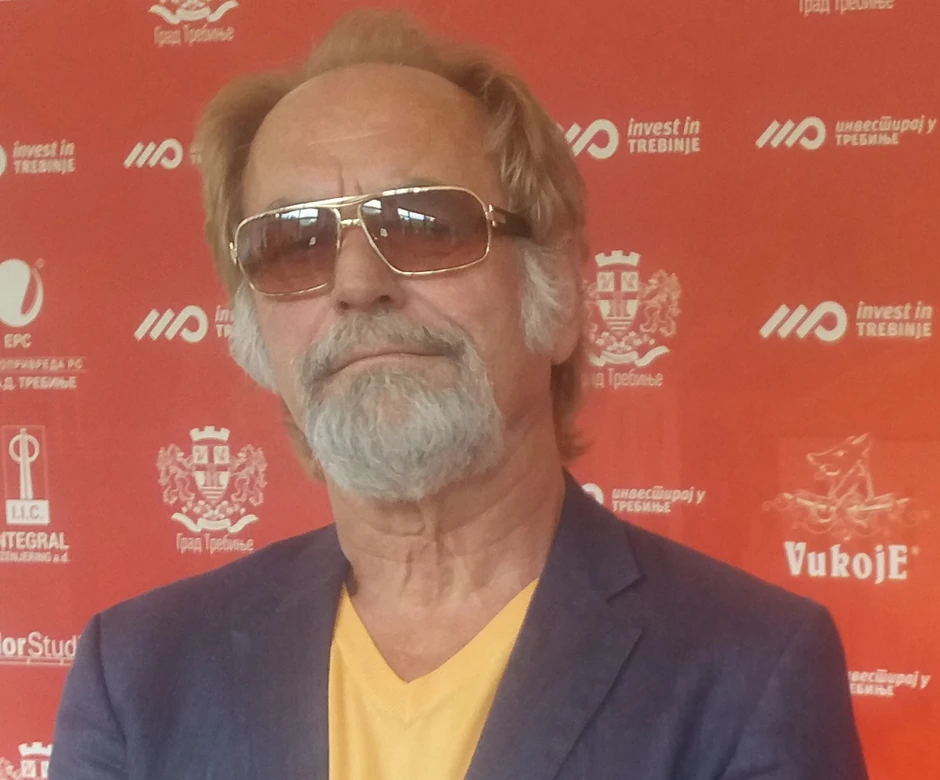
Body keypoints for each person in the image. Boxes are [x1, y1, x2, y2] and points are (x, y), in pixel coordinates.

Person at [50, 10, 868, 780]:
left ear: (559, 294)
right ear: (255, 329)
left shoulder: (749, 668)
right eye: (294, 243)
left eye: (426, 225)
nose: (357, 283)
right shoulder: (137, 676)